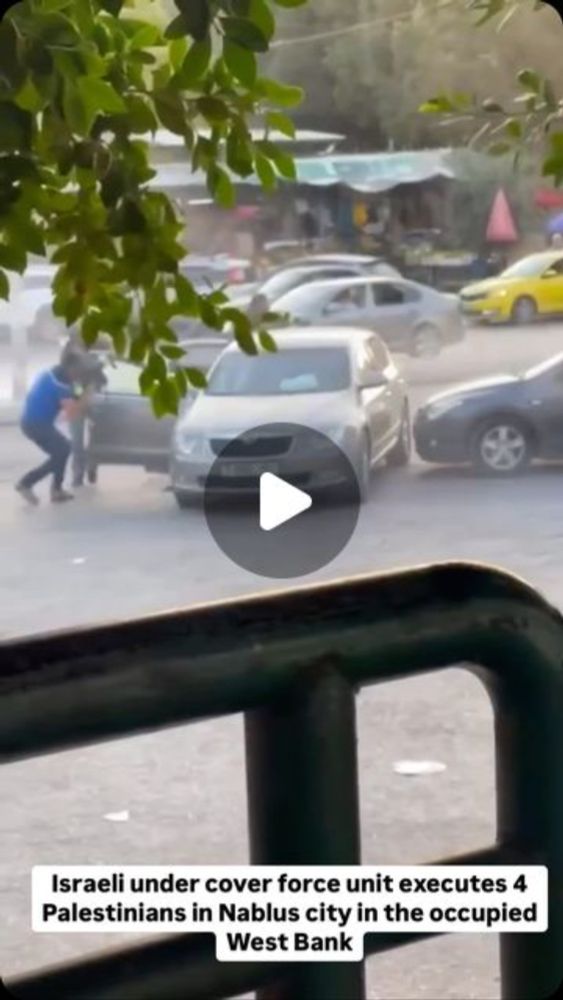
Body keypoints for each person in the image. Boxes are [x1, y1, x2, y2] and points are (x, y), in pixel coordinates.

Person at [15, 351, 91, 506]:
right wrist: (87, 392)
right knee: (62, 451)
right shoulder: (61, 384)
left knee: (61, 450)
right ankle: (26, 483)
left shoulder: (52, 373)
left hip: (32, 422)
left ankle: (56, 490)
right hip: (36, 424)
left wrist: (80, 387)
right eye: (78, 368)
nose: (80, 371)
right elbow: (71, 413)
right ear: (70, 367)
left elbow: (74, 393)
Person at [61, 333, 108, 487]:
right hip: (75, 397)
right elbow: (87, 365)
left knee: (95, 435)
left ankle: (89, 465)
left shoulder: (93, 345)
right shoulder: (70, 352)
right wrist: (100, 362)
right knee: (77, 440)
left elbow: (100, 374)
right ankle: (79, 473)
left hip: (89, 395)